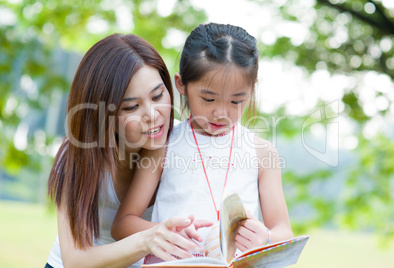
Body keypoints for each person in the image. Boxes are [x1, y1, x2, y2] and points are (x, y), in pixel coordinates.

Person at [111, 23, 294, 263]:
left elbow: (284, 232)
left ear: (252, 90)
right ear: (181, 85)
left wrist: (266, 237)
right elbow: (122, 223)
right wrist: (161, 232)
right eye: (208, 99)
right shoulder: (163, 145)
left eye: (236, 101)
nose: (221, 113)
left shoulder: (261, 153)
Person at [45, 33, 212, 268]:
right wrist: (147, 240)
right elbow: (75, 260)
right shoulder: (78, 154)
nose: (153, 115)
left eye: (157, 95)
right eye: (132, 106)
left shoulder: (183, 143)